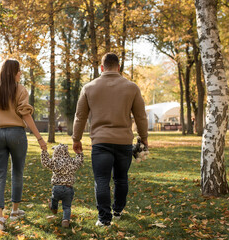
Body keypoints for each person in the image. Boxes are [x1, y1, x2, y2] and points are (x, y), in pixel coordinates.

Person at [72, 53, 148, 226]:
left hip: (100, 142)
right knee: (121, 178)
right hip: (124, 142)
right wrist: (143, 138)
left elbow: (80, 116)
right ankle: (118, 211)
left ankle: (104, 219)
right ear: (118, 67)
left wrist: (76, 139)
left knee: (102, 180)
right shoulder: (132, 87)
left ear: (102, 68)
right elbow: (141, 116)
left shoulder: (89, 87)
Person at [0, 59, 47, 232]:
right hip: (16, 135)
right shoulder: (20, 90)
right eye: (19, 71)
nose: (21, 73)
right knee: (17, 172)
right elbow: (26, 115)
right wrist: (39, 138)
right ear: (12, 72)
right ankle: (15, 211)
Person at [40, 143, 84, 228]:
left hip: (57, 187)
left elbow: (45, 162)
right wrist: (79, 153)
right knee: (67, 206)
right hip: (68, 188)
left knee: (54, 199)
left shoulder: (54, 162)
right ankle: (65, 220)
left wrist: (44, 151)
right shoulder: (71, 161)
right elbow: (79, 162)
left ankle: (54, 208)